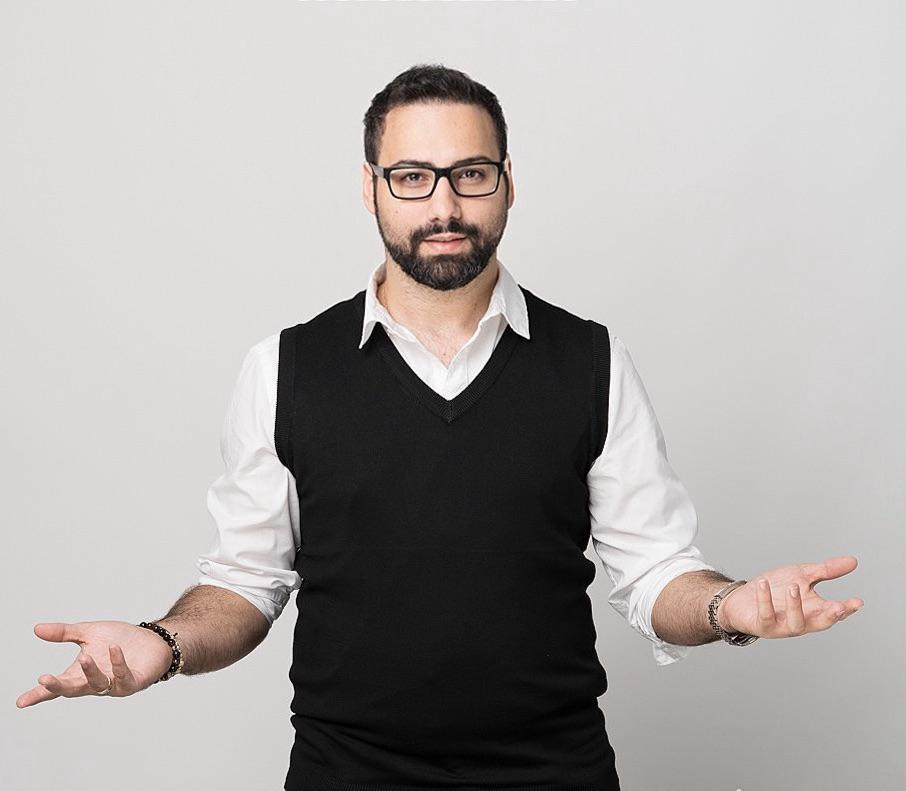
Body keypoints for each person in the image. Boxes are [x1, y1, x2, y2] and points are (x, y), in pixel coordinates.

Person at [17, 64, 864, 791]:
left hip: (554, 770)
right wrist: (162, 642)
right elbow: (245, 582)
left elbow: (655, 573)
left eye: (471, 173)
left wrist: (727, 605)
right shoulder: (283, 367)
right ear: (370, 187)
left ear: (508, 181)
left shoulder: (593, 361)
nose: (445, 204)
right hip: (346, 773)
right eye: (413, 176)